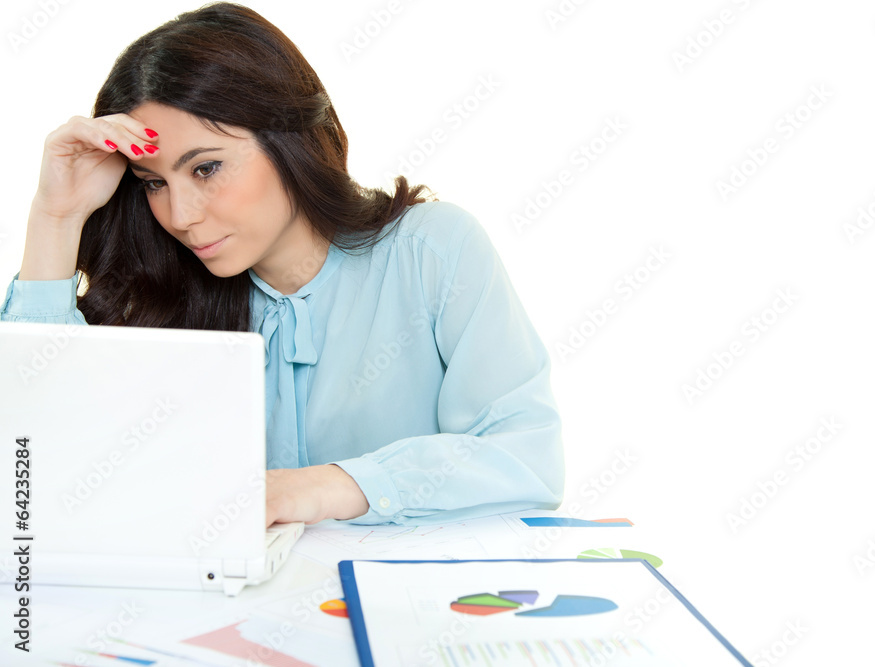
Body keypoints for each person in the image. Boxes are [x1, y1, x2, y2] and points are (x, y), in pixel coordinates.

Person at [0, 2, 564, 527]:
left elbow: (525, 459)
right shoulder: (158, 288)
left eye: (205, 168)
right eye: (153, 183)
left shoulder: (432, 251)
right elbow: (33, 472)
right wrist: (55, 218)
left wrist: (321, 488)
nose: (181, 215)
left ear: (288, 138)